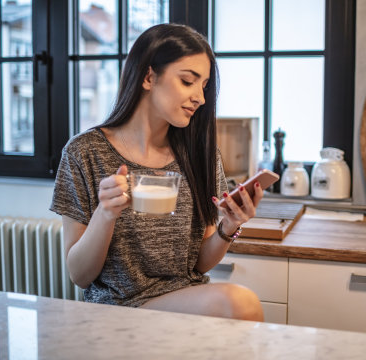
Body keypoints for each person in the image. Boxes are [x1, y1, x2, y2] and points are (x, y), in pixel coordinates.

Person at [50, 23, 264, 321]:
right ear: (149, 77)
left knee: (237, 304)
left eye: (204, 86)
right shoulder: (84, 153)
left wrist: (228, 227)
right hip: (118, 310)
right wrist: (106, 213)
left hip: (185, 299)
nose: (200, 99)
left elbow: (199, 265)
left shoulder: (200, 155)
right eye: (188, 81)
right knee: (239, 302)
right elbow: (79, 275)